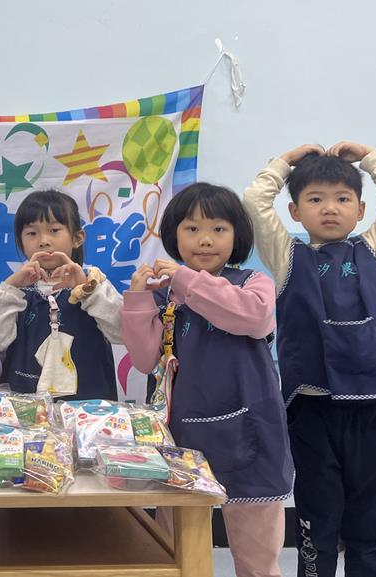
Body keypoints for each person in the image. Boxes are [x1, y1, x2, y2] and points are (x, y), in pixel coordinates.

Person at [243, 141, 376, 577]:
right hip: (312, 410)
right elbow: (254, 202)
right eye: (315, 199)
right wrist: (285, 163)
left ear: (361, 209)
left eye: (343, 199)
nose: (330, 208)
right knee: (318, 511)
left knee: (372, 512)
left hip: (370, 407)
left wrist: (369, 157)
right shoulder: (287, 256)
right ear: (294, 212)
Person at [121, 182, 293, 577]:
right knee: (176, 553)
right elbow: (145, 360)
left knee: (257, 557)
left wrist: (186, 281)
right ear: (174, 235)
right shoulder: (164, 296)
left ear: (237, 235)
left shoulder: (253, 282)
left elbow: (253, 318)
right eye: (192, 228)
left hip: (250, 431)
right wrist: (138, 298)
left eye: (218, 228)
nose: (205, 240)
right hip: (182, 434)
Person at [0, 189, 123, 400]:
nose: (43, 241)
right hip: (24, 410)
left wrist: (86, 289)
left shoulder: (93, 283)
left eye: (54, 230)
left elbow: (122, 332)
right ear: (20, 241)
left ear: (77, 238)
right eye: (32, 233)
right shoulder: (14, 290)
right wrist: (10, 287)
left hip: (87, 409)